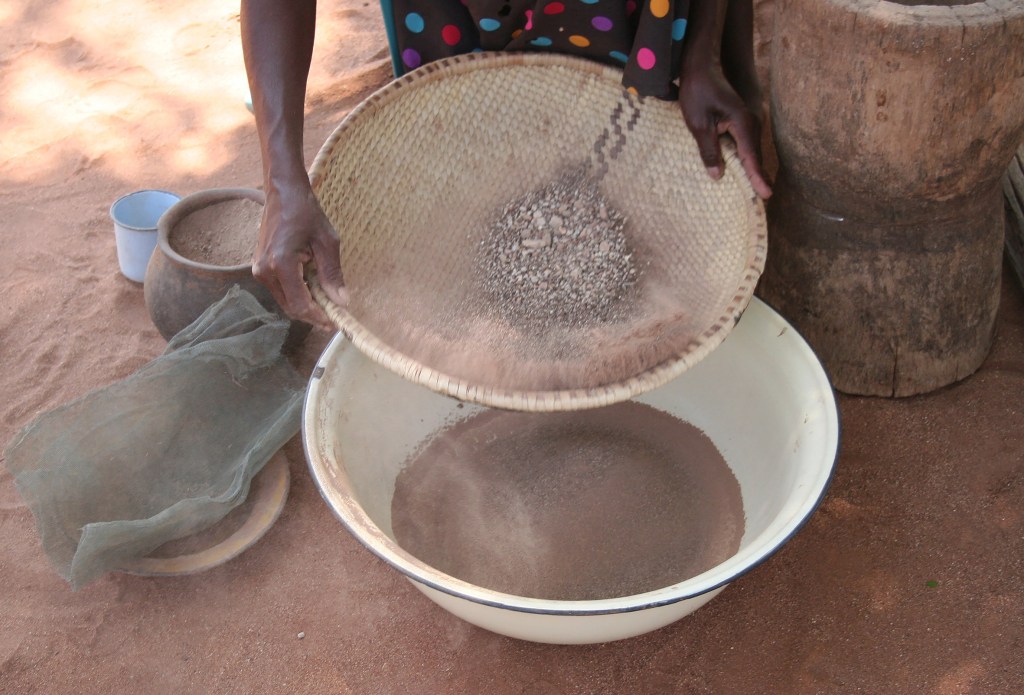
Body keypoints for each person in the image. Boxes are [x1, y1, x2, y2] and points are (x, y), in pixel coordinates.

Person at [241, 0, 772, 328]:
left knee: (617, 114)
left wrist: (706, 55)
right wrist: (282, 178)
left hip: (611, 10)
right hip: (456, 14)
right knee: (467, 118)